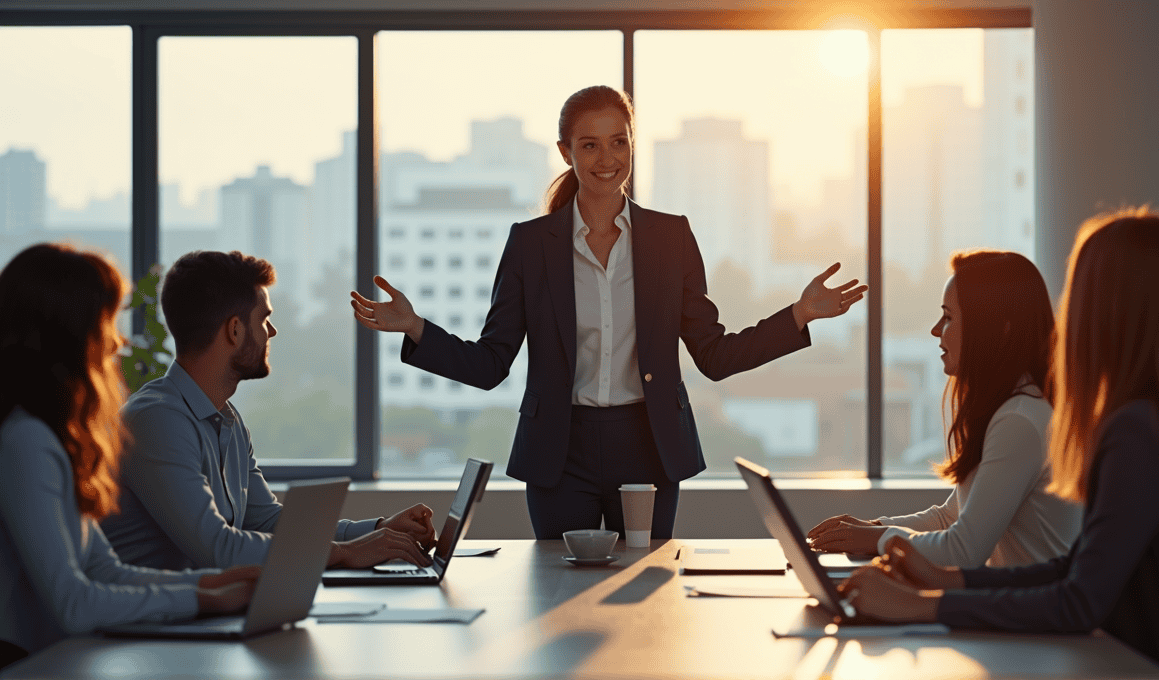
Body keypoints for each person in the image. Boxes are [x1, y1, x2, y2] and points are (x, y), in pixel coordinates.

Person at [350, 85, 867, 540]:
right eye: (589, 144)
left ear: (633, 145)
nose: (606, 158)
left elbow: (714, 354)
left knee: (643, 599)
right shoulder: (530, 245)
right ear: (565, 151)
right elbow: (490, 364)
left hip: (648, 446)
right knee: (557, 597)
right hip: (559, 451)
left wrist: (798, 314)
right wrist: (416, 328)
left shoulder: (670, 237)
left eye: (619, 141)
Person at [841, 208, 1159, 678]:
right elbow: (1078, 565)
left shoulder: (1136, 432)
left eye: (1077, 295)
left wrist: (925, 607)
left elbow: (1079, 601)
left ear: (1105, 310)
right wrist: (949, 581)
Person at [0, 244, 261, 671]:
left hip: (65, 658)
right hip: (31, 664)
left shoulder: (54, 436)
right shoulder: (26, 441)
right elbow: (74, 602)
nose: (117, 339)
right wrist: (201, 598)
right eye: (106, 321)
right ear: (68, 331)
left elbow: (106, 570)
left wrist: (215, 582)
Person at [101, 250, 436, 571]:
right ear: (234, 330)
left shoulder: (227, 420)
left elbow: (267, 521)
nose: (271, 332)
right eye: (264, 319)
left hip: (201, 615)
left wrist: (377, 530)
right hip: (149, 625)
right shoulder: (157, 420)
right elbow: (217, 548)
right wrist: (345, 553)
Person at [808, 251, 1082, 567]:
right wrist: (873, 529)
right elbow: (950, 518)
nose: (936, 330)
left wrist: (876, 539)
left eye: (949, 317)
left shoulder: (1019, 421)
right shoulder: (1010, 410)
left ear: (1000, 329)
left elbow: (963, 551)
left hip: (1031, 614)